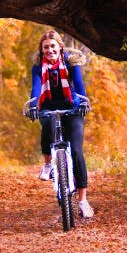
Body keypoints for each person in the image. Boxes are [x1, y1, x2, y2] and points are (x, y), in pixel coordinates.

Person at [28, 29, 94, 219]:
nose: (49, 50)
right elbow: (36, 88)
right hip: (48, 107)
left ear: (60, 47)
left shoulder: (71, 63)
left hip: (71, 107)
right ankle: (48, 164)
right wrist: (33, 105)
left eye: (52, 46)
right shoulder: (38, 67)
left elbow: (79, 86)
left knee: (77, 151)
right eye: (46, 47)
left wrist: (83, 102)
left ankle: (83, 201)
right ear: (42, 50)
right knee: (47, 125)